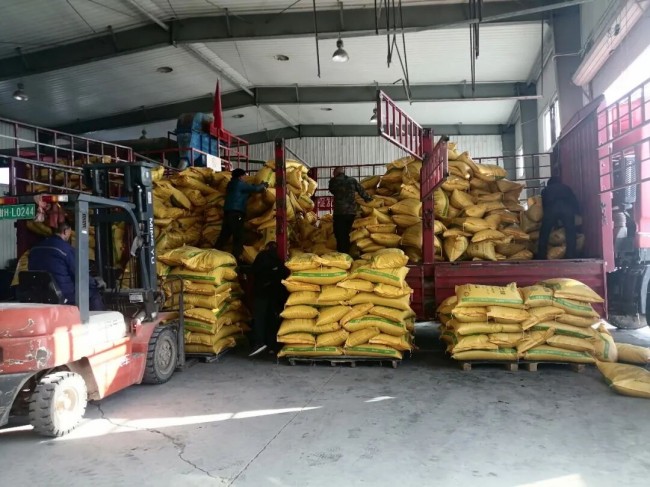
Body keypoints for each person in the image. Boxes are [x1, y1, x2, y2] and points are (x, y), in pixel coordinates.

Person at [28, 222, 105, 310]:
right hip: (63, 294)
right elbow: (80, 274)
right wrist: (95, 283)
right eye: (70, 232)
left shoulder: (35, 249)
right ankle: (96, 318)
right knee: (94, 293)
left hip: (39, 294)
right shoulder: (67, 249)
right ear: (65, 231)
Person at [215, 168, 268, 262]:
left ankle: (214, 252)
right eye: (244, 176)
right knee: (239, 236)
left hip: (228, 212)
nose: (245, 178)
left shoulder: (231, 184)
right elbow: (255, 189)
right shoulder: (239, 184)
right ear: (240, 176)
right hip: (236, 213)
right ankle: (236, 258)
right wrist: (263, 185)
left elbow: (246, 190)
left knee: (224, 235)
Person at [249, 241, 288, 357]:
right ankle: (272, 346)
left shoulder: (261, 256)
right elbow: (284, 275)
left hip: (261, 293)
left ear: (266, 247)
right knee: (272, 319)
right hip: (274, 295)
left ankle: (259, 343)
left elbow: (253, 270)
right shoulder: (279, 260)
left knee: (259, 318)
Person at [328, 167, 373, 254]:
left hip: (340, 213)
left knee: (339, 233)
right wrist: (368, 199)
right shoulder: (352, 180)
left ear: (336, 173)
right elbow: (361, 191)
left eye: (334, 173)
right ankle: (346, 252)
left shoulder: (333, 181)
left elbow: (332, 190)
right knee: (346, 233)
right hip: (351, 212)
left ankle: (342, 253)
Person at [537, 176, 579, 260]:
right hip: (567, 210)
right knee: (570, 232)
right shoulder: (567, 188)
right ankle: (571, 254)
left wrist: (547, 218)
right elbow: (574, 201)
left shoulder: (545, 190)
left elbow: (543, 204)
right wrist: (577, 212)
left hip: (551, 209)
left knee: (544, 232)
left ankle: (541, 255)